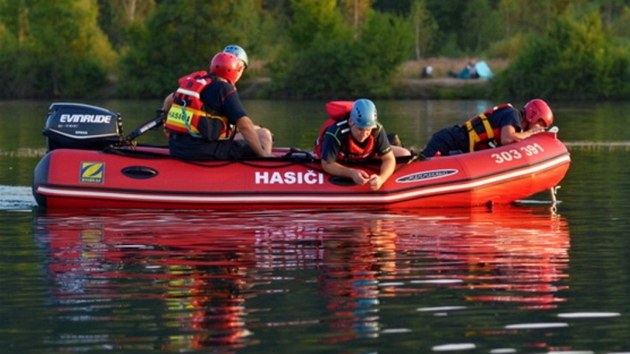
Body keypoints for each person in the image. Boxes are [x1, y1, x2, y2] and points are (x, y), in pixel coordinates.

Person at [162, 49, 272, 160]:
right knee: (263, 136)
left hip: (176, 148)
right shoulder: (224, 89)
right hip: (201, 152)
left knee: (256, 131)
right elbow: (244, 125)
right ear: (235, 70)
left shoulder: (196, 82)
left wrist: (164, 116)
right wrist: (262, 154)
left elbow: (168, 101)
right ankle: (265, 168)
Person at [316, 99, 410, 191]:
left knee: (405, 153)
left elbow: (389, 158)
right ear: (350, 122)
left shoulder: (377, 130)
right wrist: (351, 173)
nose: (364, 134)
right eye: (360, 129)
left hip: (365, 153)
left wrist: (381, 179)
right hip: (342, 154)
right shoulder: (335, 133)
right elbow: (327, 164)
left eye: (368, 129)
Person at [420, 98, 553, 158]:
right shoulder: (513, 115)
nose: (541, 128)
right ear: (533, 115)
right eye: (541, 124)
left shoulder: (516, 127)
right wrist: (530, 133)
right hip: (449, 141)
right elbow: (507, 139)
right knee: (420, 163)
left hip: (458, 147)